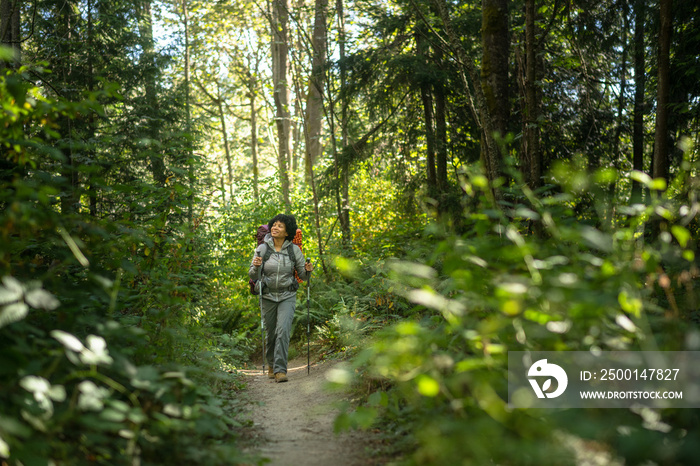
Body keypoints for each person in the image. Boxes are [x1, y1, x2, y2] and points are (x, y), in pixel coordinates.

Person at [249, 214, 313, 383]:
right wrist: (255, 267)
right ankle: (271, 364)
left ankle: (280, 370)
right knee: (270, 334)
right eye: (274, 225)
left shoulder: (294, 250)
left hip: (287, 295)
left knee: (283, 331)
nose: (275, 228)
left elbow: (302, 276)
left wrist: (308, 270)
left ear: (287, 232)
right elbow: (252, 274)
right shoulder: (263, 249)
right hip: (268, 295)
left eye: (280, 226)